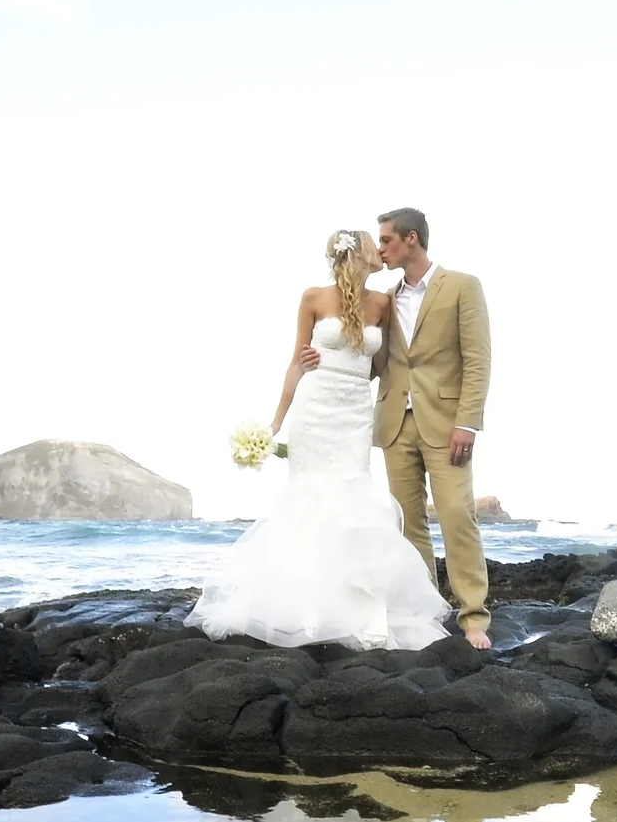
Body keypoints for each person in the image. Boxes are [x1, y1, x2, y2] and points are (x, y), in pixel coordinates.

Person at [186, 229, 454, 651]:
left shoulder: (382, 303)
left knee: (354, 499)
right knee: (309, 499)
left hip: (354, 411)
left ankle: (362, 611)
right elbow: (297, 362)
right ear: (357, 254)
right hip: (314, 407)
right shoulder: (313, 297)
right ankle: (303, 611)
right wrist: (274, 424)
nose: (380, 251)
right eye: (374, 245)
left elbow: (386, 363)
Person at [368, 208, 494, 650]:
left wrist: (467, 423)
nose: (380, 249)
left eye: (386, 240)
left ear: (411, 239)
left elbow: (478, 360)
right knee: (408, 523)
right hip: (393, 423)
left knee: (458, 515)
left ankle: (473, 616)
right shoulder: (384, 298)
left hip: (446, 425)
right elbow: (375, 361)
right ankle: (426, 612)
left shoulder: (461, 286)